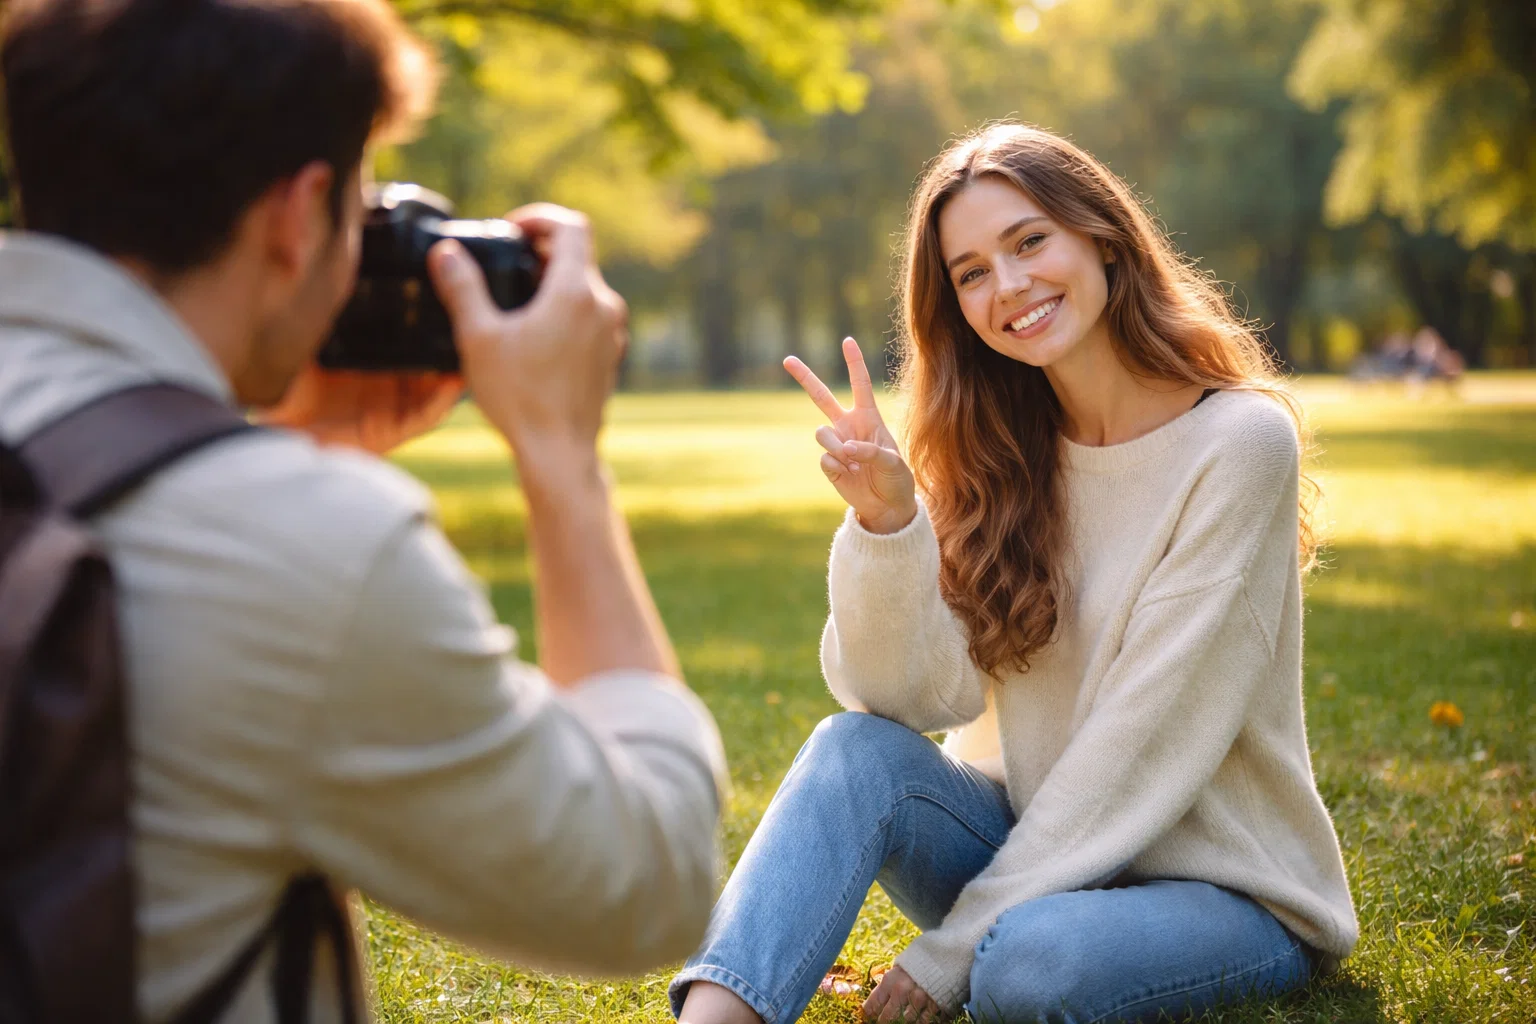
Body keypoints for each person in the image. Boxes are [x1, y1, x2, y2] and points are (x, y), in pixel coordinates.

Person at [0, 0, 725, 1020]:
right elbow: (645, 879)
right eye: (362, 203)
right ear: (298, 218)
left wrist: (246, 438)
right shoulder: (313, 547)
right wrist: (562, 460)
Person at [672, 123, 1358, 1024]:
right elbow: (910, 697)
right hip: (1039, 853)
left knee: (1024, 968)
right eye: (971, 273)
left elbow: (1144, 733)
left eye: (1030, 242)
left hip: (1224, 887)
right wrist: (888, 524)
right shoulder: (1000, 453)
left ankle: (1005, 939)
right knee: (851, 754)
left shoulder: (1236, 443)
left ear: (1101, 235)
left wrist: (957, 945)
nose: (1011, 287)